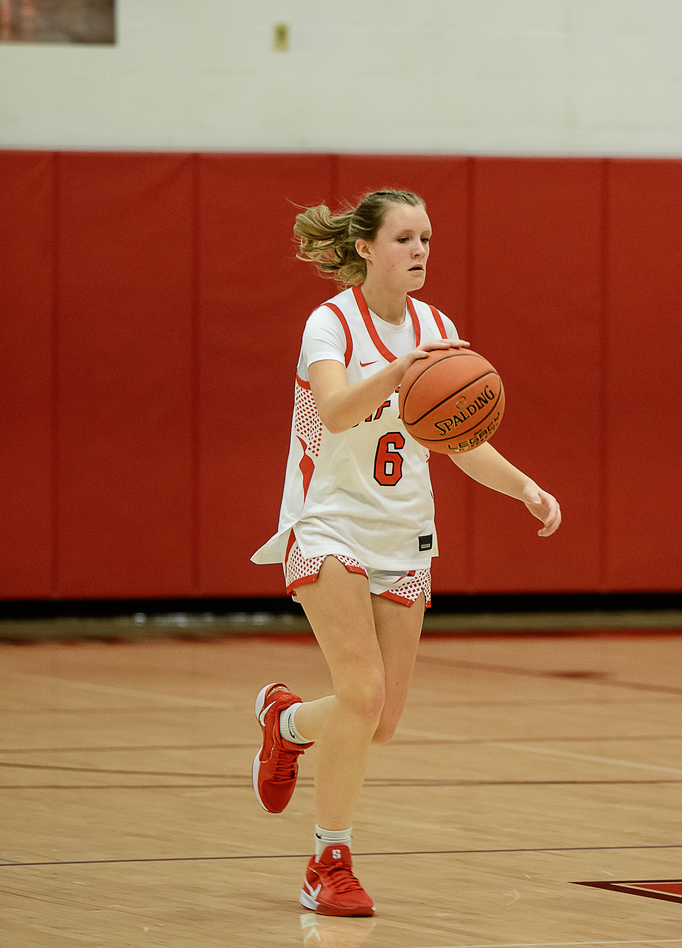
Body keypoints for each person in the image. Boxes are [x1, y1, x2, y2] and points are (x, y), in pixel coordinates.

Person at [250, 189, 561, 917]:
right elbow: (334, 410)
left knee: (381, 720)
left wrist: (524, 487)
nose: (419, 251)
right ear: (365, 247)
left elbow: (459, 436)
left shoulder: (437, 326)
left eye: (426, 238)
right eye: (404, 238)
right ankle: (328, 862)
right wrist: (398, 371)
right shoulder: (329, 323)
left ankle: (285, 724)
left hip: (404, 532)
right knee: (361, 694)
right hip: (327, 523)